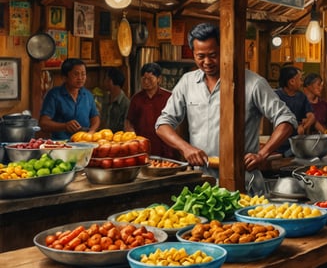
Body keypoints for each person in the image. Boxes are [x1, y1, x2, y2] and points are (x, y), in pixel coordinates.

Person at [155, 22, 297, 194]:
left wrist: (262, 154)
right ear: (193, 53)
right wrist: (186, 148)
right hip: (202, 185)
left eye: (213, 55)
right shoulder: (187, 82)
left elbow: (286, 119)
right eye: (200, 56)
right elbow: (162, 124)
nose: (207, 62)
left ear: (224, 50)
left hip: (244, 183)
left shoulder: (253, 83)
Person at [39, 58, 100, 140]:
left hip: (84, 143)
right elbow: (43, 123)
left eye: (83, 74)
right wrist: (64, 126)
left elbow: (95, 117)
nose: (80, 78)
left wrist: (91, 132)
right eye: (76, 74)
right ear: (64, 77)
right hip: (61, 145)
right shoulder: (54, 95)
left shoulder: (88, 95)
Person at [125, 63, 175, 159]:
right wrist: (132, 138)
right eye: (144, 79)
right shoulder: (136, 99)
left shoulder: (169, 97)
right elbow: (129, 122)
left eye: (150, 79)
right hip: (142, 148)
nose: (146, 82)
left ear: (159, 79)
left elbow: (177, 123)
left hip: (165, 148)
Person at [100, 68, 129, 133]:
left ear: (110, 81)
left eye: (105, 79)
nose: (103, 82)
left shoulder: (126, 104)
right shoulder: (105, 99)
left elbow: (126, 128)